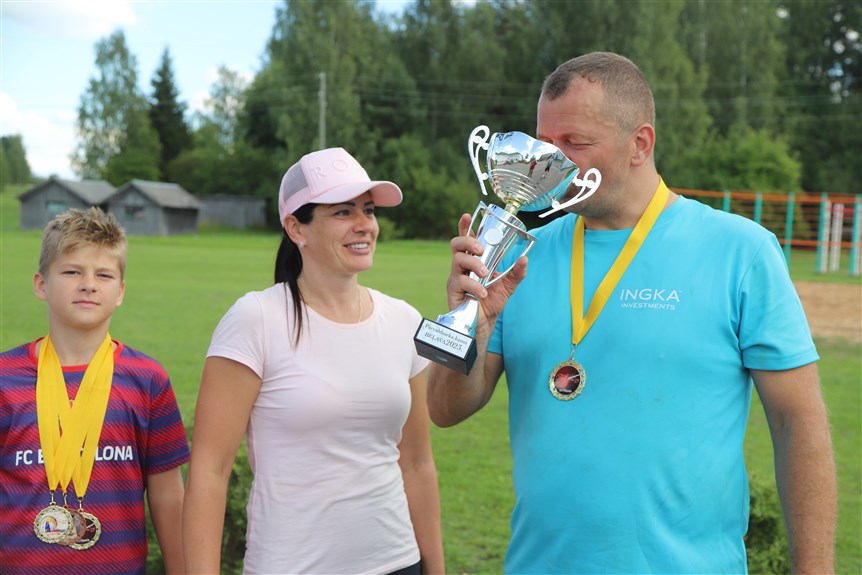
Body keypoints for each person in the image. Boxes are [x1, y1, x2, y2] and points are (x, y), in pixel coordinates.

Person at [427, 52, 837, 573]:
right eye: (543, 142)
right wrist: (473, 325)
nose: (549, 161)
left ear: (640, 143)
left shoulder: (740, 250)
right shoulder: (519, 255)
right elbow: (445, 409)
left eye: (574, 143)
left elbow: (798, 423)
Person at [183, 147, 445, 574]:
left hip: (399, 563)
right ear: (295, 228)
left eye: (368, 210)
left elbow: (417, 464)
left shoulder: (404, 320)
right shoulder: (256, 319)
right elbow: (210, 471)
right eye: (343, 212)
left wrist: (435, 569)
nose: (364, 225)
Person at [0, 207, 189, 574]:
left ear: (120, 292)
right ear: (41, 284)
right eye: (72, 272)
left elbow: (168, 496)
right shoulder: (5, 377)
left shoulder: (148, 380)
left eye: (103, 274)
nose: (88, 284)